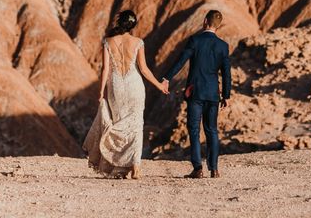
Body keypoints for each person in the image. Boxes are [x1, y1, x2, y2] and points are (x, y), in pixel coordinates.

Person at [83, 10, 168, 179]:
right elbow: (143, 69)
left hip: (116, 86)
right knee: (136, 126)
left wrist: (101, 92)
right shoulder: (138, 42)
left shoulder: (108, 42)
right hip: (134, 85)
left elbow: (105, 70)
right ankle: (135, 166)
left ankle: (119, 165)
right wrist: (159, 85)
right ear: (133, 25)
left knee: (119, 123)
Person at [161, 10, 231, 178]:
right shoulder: (223, 46)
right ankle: (214, 169)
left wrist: (166, 78)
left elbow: (181, 61)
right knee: (212, 130)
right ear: (218, 25)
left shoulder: (195, 40)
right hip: (213, 94)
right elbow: (227, 73)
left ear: (205, 21)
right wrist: (226, 95)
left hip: (196, 93)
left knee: (193, 129)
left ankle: (198, 168)